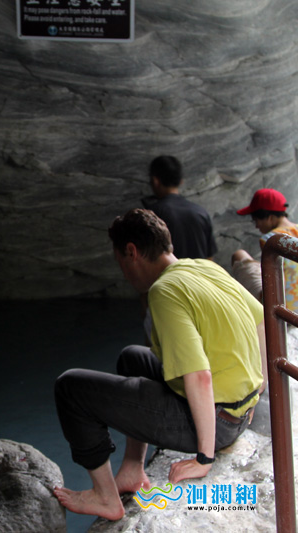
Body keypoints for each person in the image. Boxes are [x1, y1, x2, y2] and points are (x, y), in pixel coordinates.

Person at [53, 208, 265, 521]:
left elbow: (199, 375)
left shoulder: (164, 291)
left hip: (218, 423)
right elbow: (261, 319)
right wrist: (256, 390)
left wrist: (203, 459)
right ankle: (132, 469)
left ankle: (105, 496)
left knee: (70, 388)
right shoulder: (205, 267)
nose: (124, 273)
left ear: (132, 252)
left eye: (121, 262)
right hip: (240, 413)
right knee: (132, 356)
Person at [232, 188, 298, 312]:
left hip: (283, 308)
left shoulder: (270, 240)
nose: (256, 226)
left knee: (239, 255)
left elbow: (273, 282)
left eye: (256, 220)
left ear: (270, 217)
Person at [142, 155, 218, 260]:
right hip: (200, 271)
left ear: (155, 181)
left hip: (168, 271)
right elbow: (209, 257)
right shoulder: (201, 212)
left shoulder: (153, 215)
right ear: (181, 181)